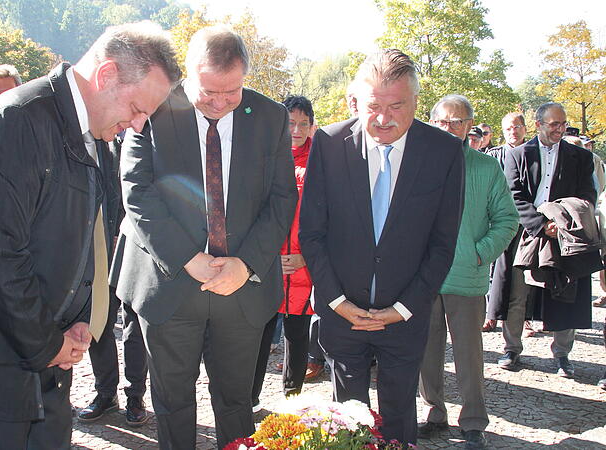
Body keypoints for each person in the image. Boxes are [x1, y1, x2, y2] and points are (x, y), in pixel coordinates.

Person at [0, 22, 181, 450]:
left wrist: (80, 320)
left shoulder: (95, 134)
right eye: (138, 108)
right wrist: (48, 343)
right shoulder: (13, 122)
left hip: (42, 352)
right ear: (106, 75)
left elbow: (88, 239)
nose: (139, 125)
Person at [112, 25, 298, 449]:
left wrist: (245, 264)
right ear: (187, 73)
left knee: (236, 403)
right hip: (169, 284)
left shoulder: (270, 117)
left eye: (231, 92)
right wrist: (187, 258)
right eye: (208, 91)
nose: (219, 103)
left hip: (241, 288)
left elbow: (282, 197)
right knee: (172, 401)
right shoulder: (154, 108)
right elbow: (137, 191)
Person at [299, 49, 465, 445]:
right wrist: (338, 302)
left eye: (396, 106)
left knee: (398, 419)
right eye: (373, 106)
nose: (383, 118)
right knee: (347, 423)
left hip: (405, 316)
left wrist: (402, 308)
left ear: (416, 102)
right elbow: (312, 234)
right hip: (342, 314)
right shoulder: (329, 143)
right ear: (356, 102)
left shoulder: (444, 151)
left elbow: (442, 244)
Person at [419, 95, 518, 449]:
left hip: (466, 276)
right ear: (432, 122)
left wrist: (480, 254)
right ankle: (434, 414)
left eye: (457, 122)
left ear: (469, 126)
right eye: (442, 121)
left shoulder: (485, 167)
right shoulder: (416, 163)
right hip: (423, 277)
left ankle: (474, 421)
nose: (449, 128)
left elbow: (507, 219)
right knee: (426, 352)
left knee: (469, 355)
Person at [498, 102, 597, 378]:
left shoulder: (581, 157)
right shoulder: (518, 154)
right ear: (538, 124)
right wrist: (541, 225)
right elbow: (513, 194)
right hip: (527, 232)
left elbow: (587, 195)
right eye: (554, 124)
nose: (560, 129)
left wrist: (562, 221)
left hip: (565, 233)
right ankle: (511, 348)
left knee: (567, 292)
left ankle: (562, 353)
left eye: (563, 124)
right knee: (517, 293)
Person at [77, 136, 150, 428]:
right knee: (99, 322)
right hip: (98, 247)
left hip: (135, 246)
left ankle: (135, 396)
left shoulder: (148, 132)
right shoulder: (94, 137)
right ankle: (106, 393)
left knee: (135, 326)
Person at [251, 95, 316, 411]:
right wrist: (268, 256)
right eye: (291, 123)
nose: (297, 130)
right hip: (267, 264)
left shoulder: (320, 163)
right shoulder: (262, 158)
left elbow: (328, 218)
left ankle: (293, 401)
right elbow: (251, 214)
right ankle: (250, 400)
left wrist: (305, 257)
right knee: (259, 335)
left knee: (297, 336)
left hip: (303, 267)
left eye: (304, 123)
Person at [484, 112, 528, 332]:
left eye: (517, 127)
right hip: (495, 220)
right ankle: (490, 313)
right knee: (492, 270)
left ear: (525, 129)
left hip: (524, 223)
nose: (513, 132)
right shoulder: (493, 156)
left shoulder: (532, 154)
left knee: (521, 275)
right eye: (508, 128)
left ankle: (523, 318)